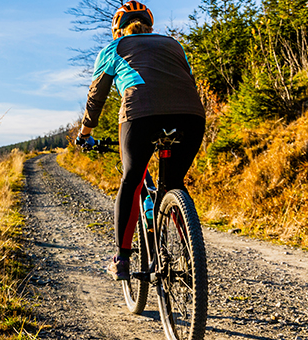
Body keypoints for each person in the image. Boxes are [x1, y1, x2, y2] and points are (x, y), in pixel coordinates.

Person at [75, 1, 206, 280]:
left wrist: (85, 134)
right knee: (173, 184)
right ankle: (191, 252)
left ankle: (122, 259)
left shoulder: (114, 49)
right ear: (149, 24)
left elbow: (95, 98)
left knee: (132, 179)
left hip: (141, 115)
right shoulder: (173, 44)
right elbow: (188, 80)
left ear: (117, 28)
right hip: (191, 116)